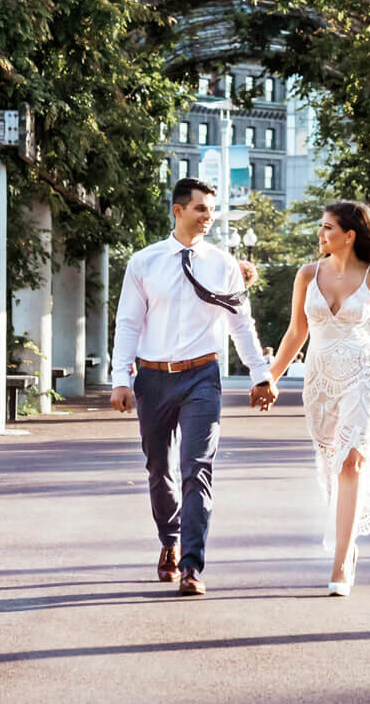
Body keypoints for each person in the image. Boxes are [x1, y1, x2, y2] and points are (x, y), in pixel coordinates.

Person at [111, 176, 275, 597]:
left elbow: (241, 323)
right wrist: (120, 379)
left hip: (203, 375)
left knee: (197, 467)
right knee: (158, 468)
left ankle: (192, 566)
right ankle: (170, 539)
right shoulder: (144, 263)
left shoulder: (223, 265)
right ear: (178, 210)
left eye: (212, 209)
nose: (209, 216)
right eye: (201, 208)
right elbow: (128, 323)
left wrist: (261, 374)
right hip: (152, 378)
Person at [259, 200, 370, 595]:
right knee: (334, 469)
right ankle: (348, 543)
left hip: (365, 376)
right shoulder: (307, 275)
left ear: (349, 235)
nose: (321, 233)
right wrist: (268, 379)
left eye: (328, 227)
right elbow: (296, 333)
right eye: (321, 226)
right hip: (321, 380)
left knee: (351, 461)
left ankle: (342, 561)